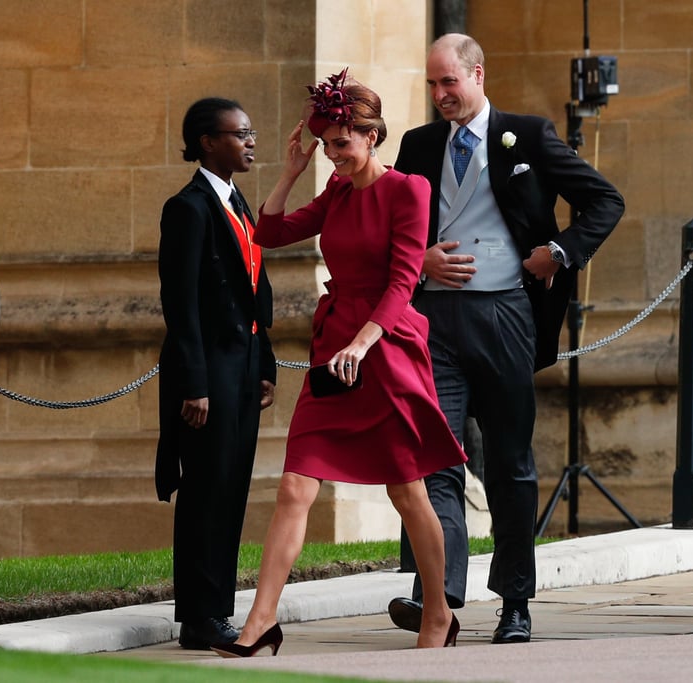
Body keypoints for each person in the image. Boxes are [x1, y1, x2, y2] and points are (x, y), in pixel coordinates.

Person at [211, 69, 466, 658]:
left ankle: (438, 612)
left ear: (371, 136)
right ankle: (261, 622)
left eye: (341, 143)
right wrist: (291, 173)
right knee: (296, 485)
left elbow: (405, 278)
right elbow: (267, 233)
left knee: (408, 491)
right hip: (335, 350)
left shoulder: (409, 190)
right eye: (325, 144)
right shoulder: (334, 194)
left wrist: (363, 342)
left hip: (387, 348)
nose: (332, 154)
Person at [389, 33, 625, 644]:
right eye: (433, 84)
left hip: (507, 316)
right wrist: (419, 265)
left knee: (510, 466)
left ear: (478, 75)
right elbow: (390, 228)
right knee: (433, 457)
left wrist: (559, 252)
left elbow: (604, 200)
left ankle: (515, 601)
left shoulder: (530, 135)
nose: (441, 95)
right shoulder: (416, 146)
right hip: (434, 324)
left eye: (450, 82)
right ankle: (437, 598)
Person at [155, 97, 277, 650]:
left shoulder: (237, 202)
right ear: (208, 142)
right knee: (205, 491)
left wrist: (266, 364)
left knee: (230, 491)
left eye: (250, 134)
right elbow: (180, 305)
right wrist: (194, 384)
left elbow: (254, 291)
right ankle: (198, 616)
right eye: (240, 134)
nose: (250, 142)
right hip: (209, 373)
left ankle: (217, 609)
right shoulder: (189, 207)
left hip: (244, 367)